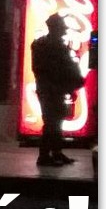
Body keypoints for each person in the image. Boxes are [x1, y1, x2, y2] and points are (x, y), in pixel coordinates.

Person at [31, 13, 86, 166]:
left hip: (54, 88)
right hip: (50, 89)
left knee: (56, 121)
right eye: (62, 27)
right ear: (55, 28)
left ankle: (56, 152)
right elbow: (47, 69)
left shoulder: (47, 44)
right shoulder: (47, 45)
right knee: (52, 122)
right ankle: (44, 156)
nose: (65, 30)